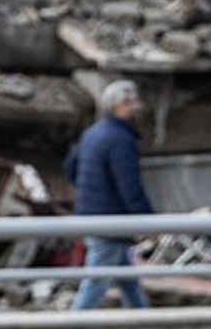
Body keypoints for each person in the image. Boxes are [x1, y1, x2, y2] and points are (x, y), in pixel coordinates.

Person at [65, 79, 155, 310]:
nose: (137, 107)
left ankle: (144, 321)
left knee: (127, 278)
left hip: (91, 214)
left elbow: (70, 168)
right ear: (118, 107)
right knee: (96, 283)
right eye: (130, 102)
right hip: (110, 219)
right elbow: (130, 186)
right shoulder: (121, 139)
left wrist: (90, 194)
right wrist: (148, 220)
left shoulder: (92, 133)